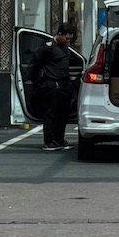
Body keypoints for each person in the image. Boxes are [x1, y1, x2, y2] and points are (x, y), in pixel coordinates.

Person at [30, 22, 76, 150]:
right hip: (50, 84)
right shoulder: (47, 47)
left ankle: (59, 139)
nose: (67, 41)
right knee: (51, 113)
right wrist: (35, 81)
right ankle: (49, 141)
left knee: (63, 114)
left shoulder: (65, 47)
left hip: (63, 84)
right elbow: (35, 64)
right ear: (59, 34)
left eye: (69, 39)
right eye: (66, 38)